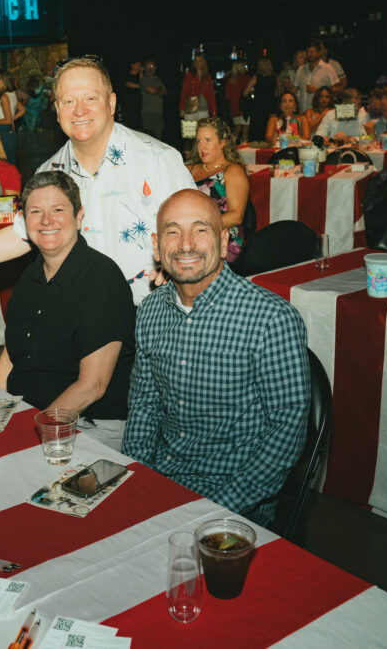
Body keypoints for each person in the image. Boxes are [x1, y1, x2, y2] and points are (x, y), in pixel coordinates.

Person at [0, 56, 195, 305]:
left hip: (152, 314)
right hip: (82, 319)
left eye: (90, 98)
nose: (79, 110)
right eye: (69, 101)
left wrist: (179, 266)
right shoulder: (49, 174)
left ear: (111, 103)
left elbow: (198, 231)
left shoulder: (158, 159)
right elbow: (22, 233)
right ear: (57, 110)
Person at [121, 189, 309, 525]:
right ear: (156, 245)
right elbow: (144, 406)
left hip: (234, 501)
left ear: (224, 242)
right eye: (173, 231)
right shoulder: (150, 310)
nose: (186, 244)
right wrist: (136, 479)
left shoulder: (271, 318)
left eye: (201, 229)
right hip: (162, 483)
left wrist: (215, 508)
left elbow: (287, 426)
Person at [0, 171, 135, 449]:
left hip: (87, 424)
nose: (46, 220)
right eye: (35, 211)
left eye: (58, 210)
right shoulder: (29, 279)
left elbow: (92, 386)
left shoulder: (101, 279)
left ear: (79, 217)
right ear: (23, 221)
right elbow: (9, 361)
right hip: (29, 414)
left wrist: (30, 435)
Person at [185, 117, 249, 263]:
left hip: (222, 237)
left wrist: (197, 228)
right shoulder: (189, 169)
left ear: (222, 143)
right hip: (189, 234)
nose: (202, 146)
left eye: (208, 140)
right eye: (199, 141)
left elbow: (236, 216)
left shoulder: (232, 171)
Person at [243, 57, 279, 142]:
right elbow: (278, 94)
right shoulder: (275, 77)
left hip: (258, 107)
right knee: (269, 130)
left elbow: (245, 93)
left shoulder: (256, 77)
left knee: (257, 131)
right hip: (271, 106)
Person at [293, 43, 338, 108]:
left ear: (319, 53)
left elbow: (336, 90)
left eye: (311, 52)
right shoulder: (300, 69)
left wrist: (317, 90)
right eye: (307, 52)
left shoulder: (328, 68)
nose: (309, 54)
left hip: (320, 113)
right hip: (303, 113)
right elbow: (294, 90)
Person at [180, 54, 217, 126]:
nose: (197, 63)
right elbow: (184, 93)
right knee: (190, 133)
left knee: (202, 133)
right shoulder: (188, 75)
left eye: (200, 61)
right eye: (196, 61)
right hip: (191, 108)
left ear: (203, 63)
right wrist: (182, 109)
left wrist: (214, 110)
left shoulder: (207, 77)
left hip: (204, 109)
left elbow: (211, 95)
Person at [223, 61, 250, 143]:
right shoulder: (246, 78)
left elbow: (227, 96)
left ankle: (231, 145)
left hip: (234, 107)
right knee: (245, 129)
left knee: (237, 129)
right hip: (244, 107)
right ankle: (244, 148)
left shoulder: (230, 80)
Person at [140, 60, 167, 141]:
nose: (150, 68)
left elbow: (165, 92)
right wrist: (159, 90)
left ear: (155, 68)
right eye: (147, 66)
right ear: (145, 68)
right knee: (148, 139)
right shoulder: (144, 79)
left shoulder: (158, 79)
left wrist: (158, 90)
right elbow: (152, 90)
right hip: (148, 113)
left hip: (159, 113)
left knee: (158, 139)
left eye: (152, 66)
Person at [120, 60, 143, 130]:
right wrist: (144, 87)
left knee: (138, 123)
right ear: (132, 65)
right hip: (128, 102)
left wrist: (141, 72)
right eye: (138, 64)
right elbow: (129, 84)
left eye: (140, 65)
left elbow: (142, 83)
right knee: (129, 122)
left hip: (138, 103)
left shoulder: (141, 76)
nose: (139, 66)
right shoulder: (126, 74)